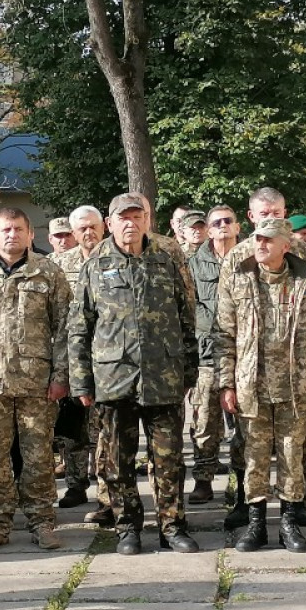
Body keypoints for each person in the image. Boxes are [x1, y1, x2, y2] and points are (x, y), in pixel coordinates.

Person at [68, 192, 199, 555]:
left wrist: (189, 370)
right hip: (114, 378)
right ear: (110, 224)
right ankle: (128, 527)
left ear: (147, 220)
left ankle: (172, 525)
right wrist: (81, 380)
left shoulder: (169, 255)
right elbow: (80, 325)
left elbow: (187, 313)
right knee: (117, 460)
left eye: (136, 216)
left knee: (169, 458)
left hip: (163, 374)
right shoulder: (96, 262)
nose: (130, 223)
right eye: (122, 218)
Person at [216, 217, 306, 553]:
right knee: (253, 455)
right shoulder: (239, 278)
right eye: (258, 239)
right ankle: (255, 525)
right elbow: (224, 335)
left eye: (269, 241)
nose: (261, 245)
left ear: (286, 245)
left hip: (294, 388)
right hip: (252, 385)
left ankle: (289, 524)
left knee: (291, 455)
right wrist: (227, 384)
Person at [0, 208, 70, 552]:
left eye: (18, 229)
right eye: (5, 230)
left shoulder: (48, 273)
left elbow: (64, 327)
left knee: (38, 455)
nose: (12, 235)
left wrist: (61, 375)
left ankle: (42, 522)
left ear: (29, 234)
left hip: (37, 380)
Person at [50, 206, 108, 516]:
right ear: (73, 233)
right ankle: (74, 483)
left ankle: (105, 488)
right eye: (82, 228)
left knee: (102, 428)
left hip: (108, 358)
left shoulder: (114, 258)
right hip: (71, 355)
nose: (88, 233)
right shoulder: (57, 266)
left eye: (93, 227)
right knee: (72, 426)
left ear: (103, 228)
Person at [187, 204, 242, 504]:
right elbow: (187, 308)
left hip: (245, 354)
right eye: (216, 222)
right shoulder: (193, 264)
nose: (222, 225)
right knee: (204, 423)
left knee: (245, 423)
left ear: (237, 227)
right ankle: (203, 480)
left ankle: (240, 481)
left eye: (227, 221)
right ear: (207, 230)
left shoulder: (249, 259)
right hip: (207, 355)